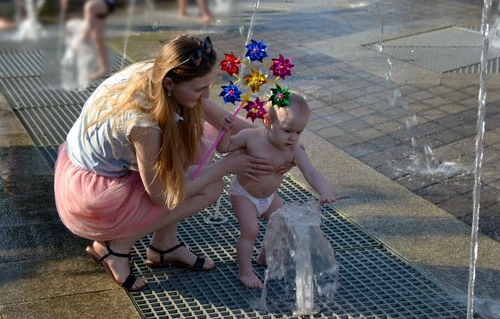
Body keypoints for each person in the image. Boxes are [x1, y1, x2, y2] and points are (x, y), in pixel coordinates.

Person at [53, 35, 282, 291]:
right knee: (211, 185)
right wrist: (225, 166)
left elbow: (221, 118)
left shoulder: (163, 72)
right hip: (95, 188)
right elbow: (162, 195)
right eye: (199, 89)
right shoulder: (144, 125)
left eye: (209, 85)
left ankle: (164, 245)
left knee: (189, 145)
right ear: (171, 84)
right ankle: (116, 247)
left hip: (96, 156)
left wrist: (273, 143)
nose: (207, 95)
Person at [216, 92, 338, 289]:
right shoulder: (251, 137)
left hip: (270, 197)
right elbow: (223, 148)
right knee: (251, 230)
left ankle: (264, 256)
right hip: (244, 194)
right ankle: (245, 271)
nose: (293, 138)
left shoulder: (294, 149)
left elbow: (311, 171)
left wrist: (324, 191)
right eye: (288, 131)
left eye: (299, 132)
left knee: (282, 223)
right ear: (267, 121)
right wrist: (226, 132)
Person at [60, 0, 132, 81]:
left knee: (89, 7)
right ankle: (105, 69)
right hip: (95, 0)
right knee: (97, 37)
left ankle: (83, 39)